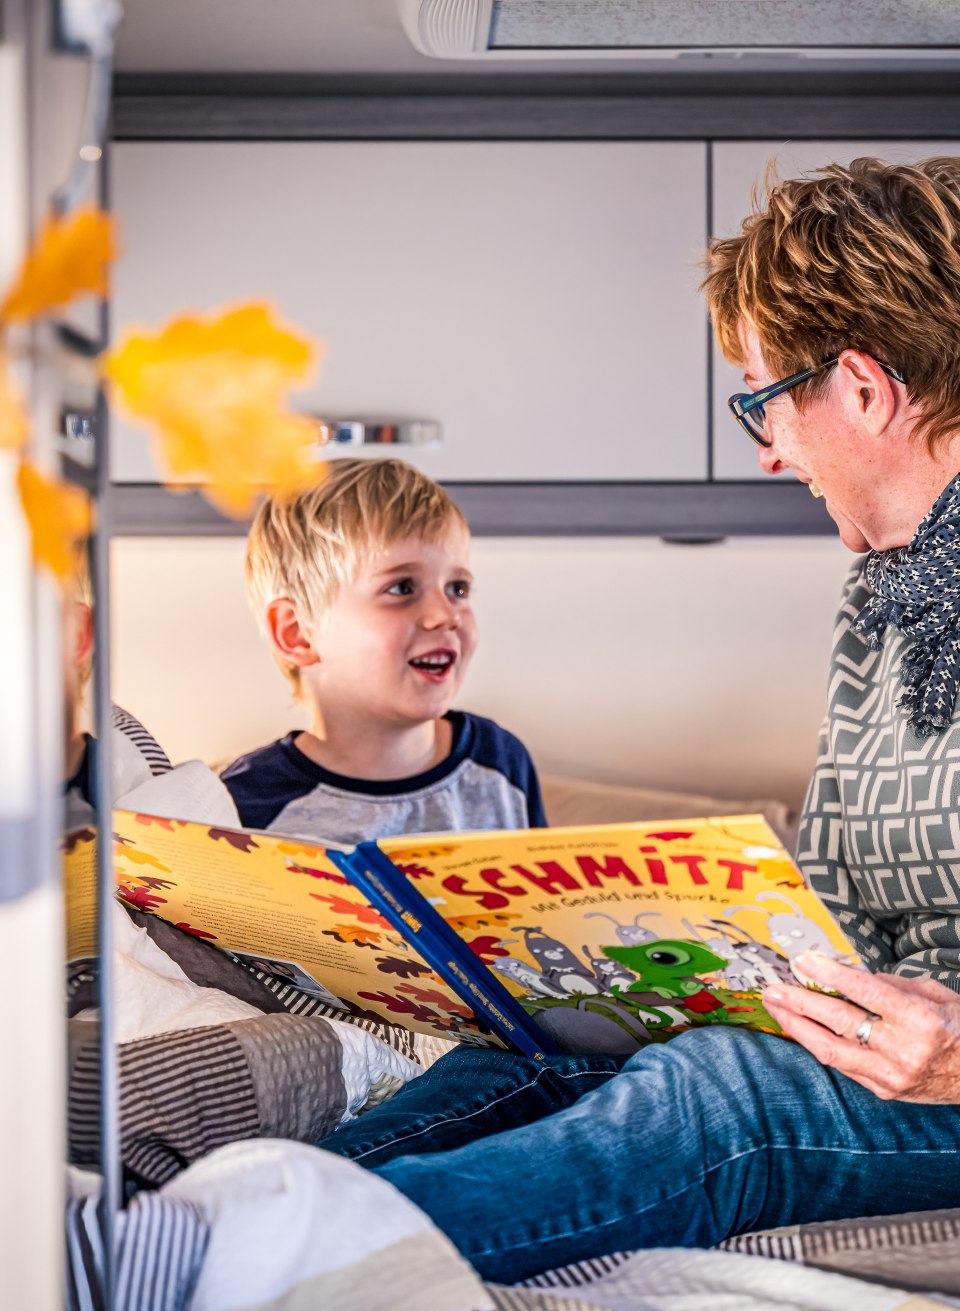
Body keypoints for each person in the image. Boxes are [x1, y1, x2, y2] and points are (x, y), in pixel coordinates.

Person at [317, 157, 960, 1284]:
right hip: (866, 1042)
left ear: (862, 389)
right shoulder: (884, 588)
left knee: (721, 1098)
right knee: (526, 1054)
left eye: (765, 402)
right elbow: (849, 889)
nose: (767, 450)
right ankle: (218, 1212)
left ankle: (246, 1269)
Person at [221, 456, 546, 842]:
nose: (446, 615)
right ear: (299, 635)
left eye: (457, 589)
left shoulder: (502, 763)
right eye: (402, 588)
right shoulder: (245, 807)